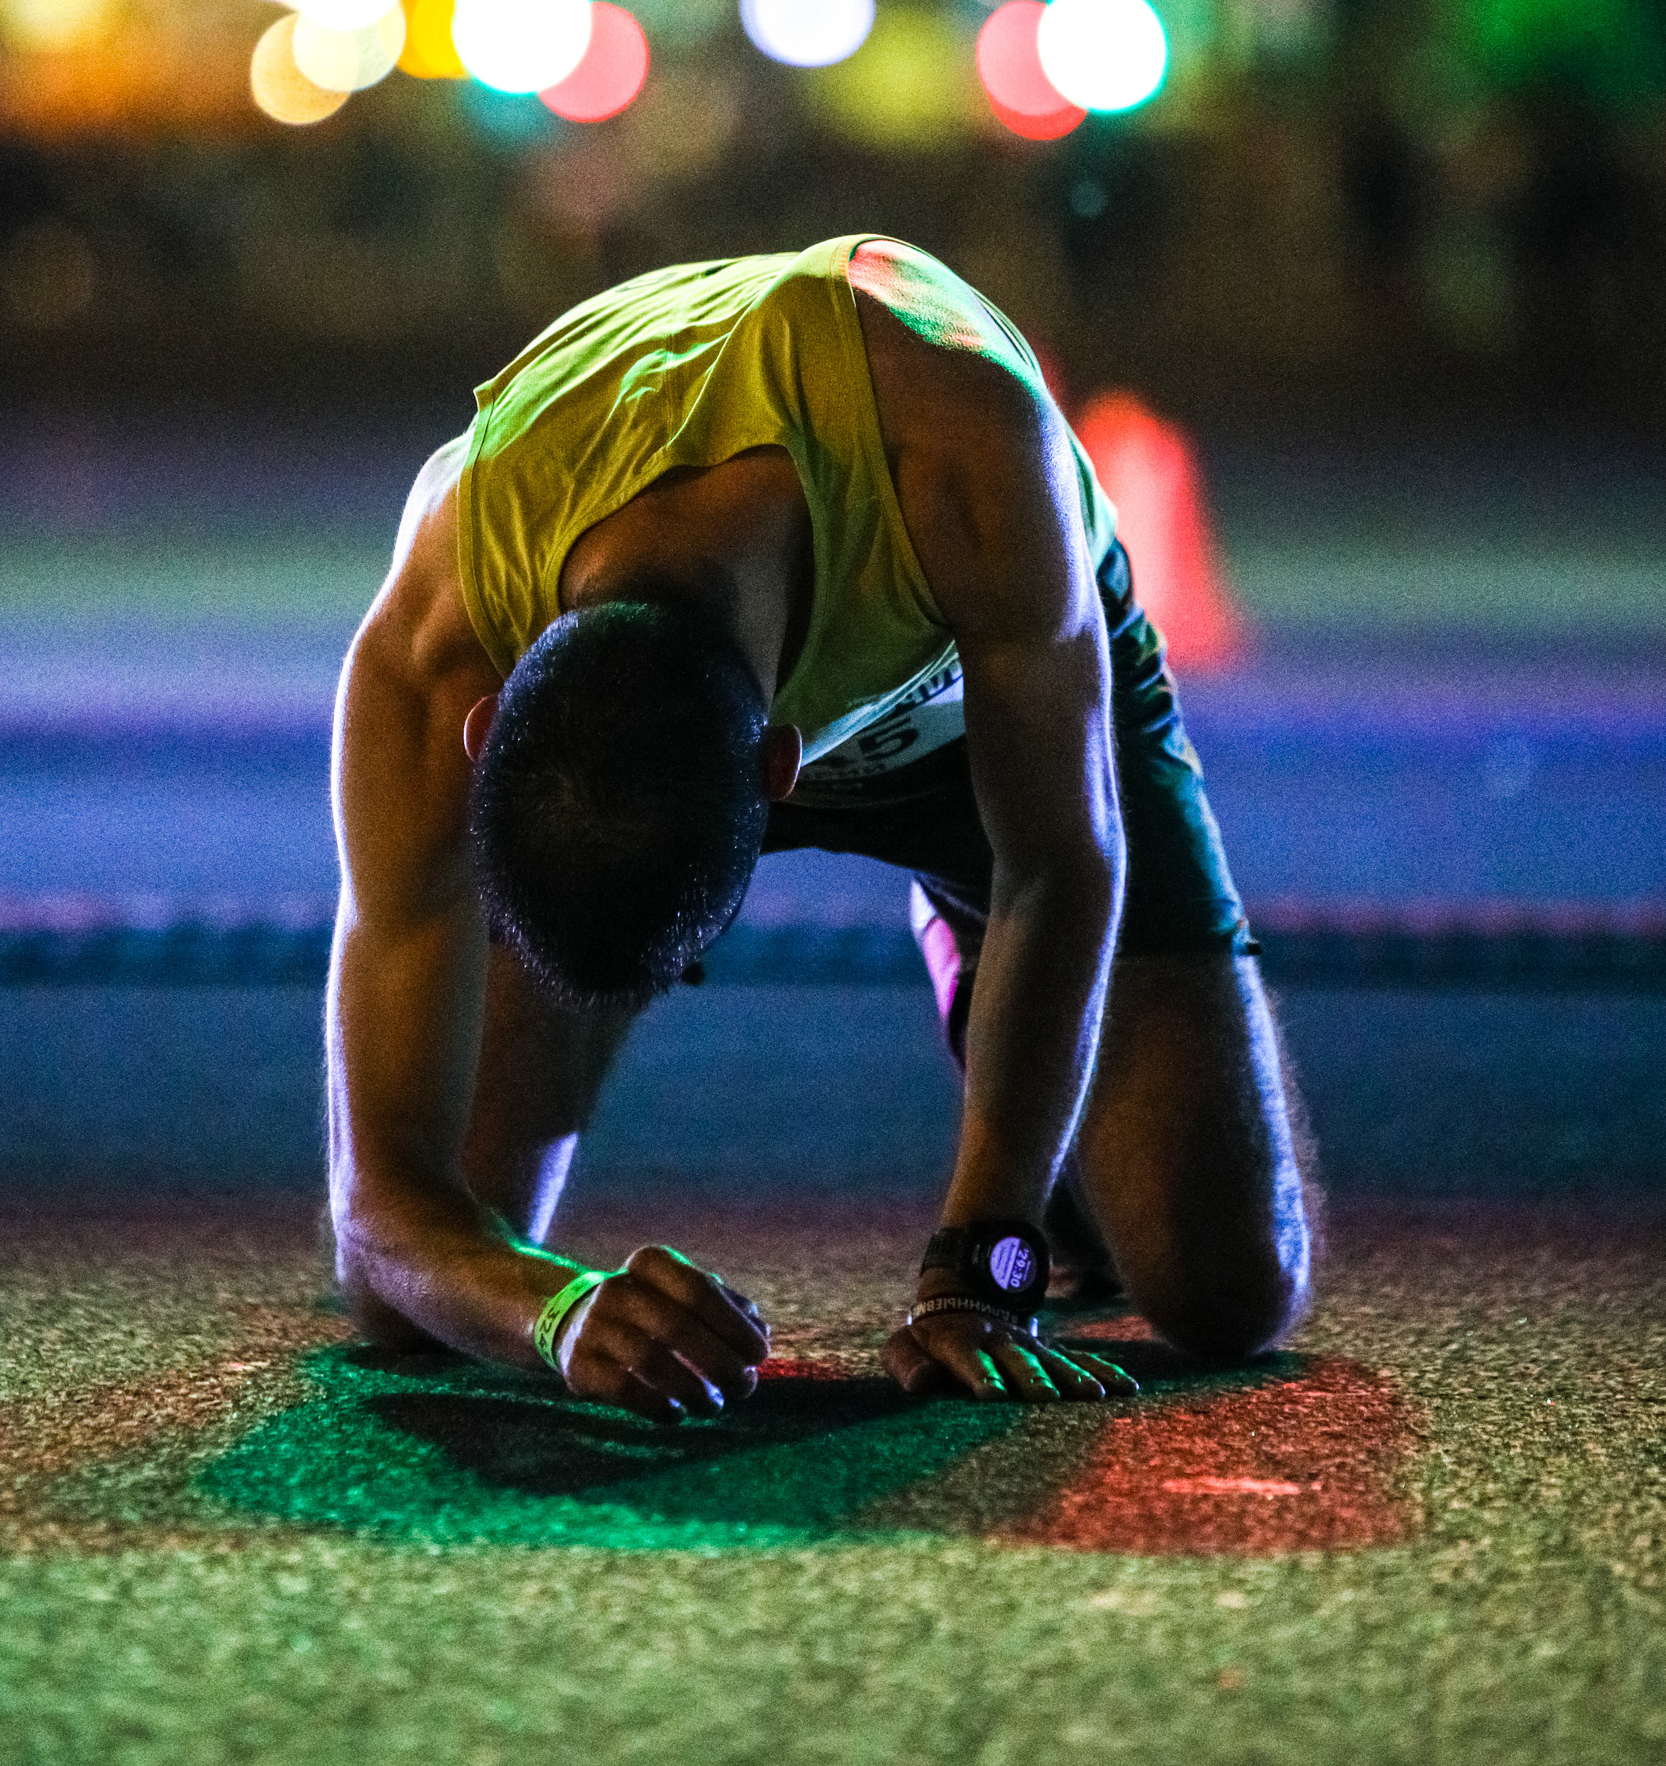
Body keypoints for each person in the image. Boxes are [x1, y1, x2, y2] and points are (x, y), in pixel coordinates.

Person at [327, 234, 1313, 1426]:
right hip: (694, 734)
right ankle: (1033, 1056)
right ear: (486, 730)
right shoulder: (434, 636)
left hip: (983, 735)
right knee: (433, 1288)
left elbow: (1058, 861)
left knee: (1226, 1287)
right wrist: (553, 1311)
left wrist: (984, 1266)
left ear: (779, 773)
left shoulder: (955, 428)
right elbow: (382, 1220)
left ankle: (967, 942)